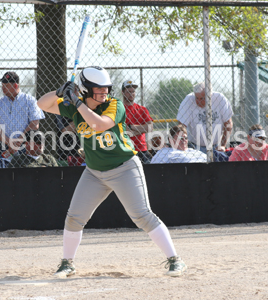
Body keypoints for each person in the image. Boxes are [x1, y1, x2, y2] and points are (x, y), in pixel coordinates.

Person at [37, 66, 187, 278]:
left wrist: (77, 102)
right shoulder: (74, 107)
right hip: (94, 172)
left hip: (124, 167)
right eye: (98, 89)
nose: (104, 93)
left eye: (106, 88)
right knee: (74, 218)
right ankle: (67, 262)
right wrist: (61, 91)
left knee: (142, 215)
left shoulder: (114, 105)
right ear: (86, 89)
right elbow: (42, 104)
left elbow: (99, 124)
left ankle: (175, 259)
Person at [0, 72, 45, 167]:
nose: (2, 88)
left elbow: (35, 124)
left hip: (25, 146)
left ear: (15, 85)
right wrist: (9, 142)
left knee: (24, 174)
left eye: (6, 85)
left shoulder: (29, 100)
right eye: (2, 85)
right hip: (5, 146)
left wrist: (19, 140)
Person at [177, 82, 233, 162]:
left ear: (210, 96)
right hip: (195, 146)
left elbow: (228, 124)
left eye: (202, 98)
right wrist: (183, 145)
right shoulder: (188, 100)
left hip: (216, 145)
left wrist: (222, 145)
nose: (198, 101)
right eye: (197, 98)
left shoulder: (219, 98)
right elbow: (181, 126)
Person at [122, 80, 153, 164]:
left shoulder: (142, 109)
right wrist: (142, 128)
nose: (131, 94)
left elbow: (150, 128)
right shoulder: (119, 110)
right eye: (128, 92)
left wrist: (131, 127)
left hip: (142, 149)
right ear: (123, 93)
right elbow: (123, 132)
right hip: (125, 149)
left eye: (133, 91)